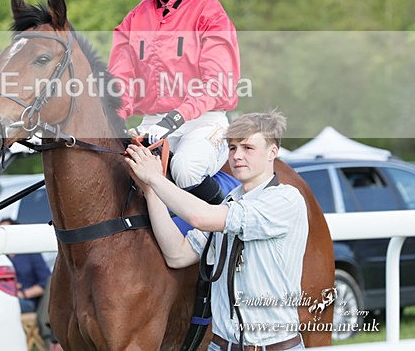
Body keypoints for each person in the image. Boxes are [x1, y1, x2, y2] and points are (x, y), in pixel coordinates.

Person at [124, 110, 307, 350]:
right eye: (232, 148)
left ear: (273, 151)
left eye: (248, 148)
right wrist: (149, 189)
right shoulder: (229, 202)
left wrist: (158, 179)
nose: (237, 156)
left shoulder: (285, 200)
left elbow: (200, 216)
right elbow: (177, 255)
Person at [108, 0, 241, 204]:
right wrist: (116, 120)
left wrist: (174, 119)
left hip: (204, 121)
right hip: (153, 121)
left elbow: (217, 84)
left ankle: (231, 223)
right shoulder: (134, 19)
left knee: (186, 169)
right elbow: (120, 81)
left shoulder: (209, 13)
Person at [0, 218, 51, 313]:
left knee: (5, 306)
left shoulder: (30, 253)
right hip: (4, 297)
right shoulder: (0, 257)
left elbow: (45, 283)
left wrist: (22, 294)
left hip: (27, 300)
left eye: (6, 231)